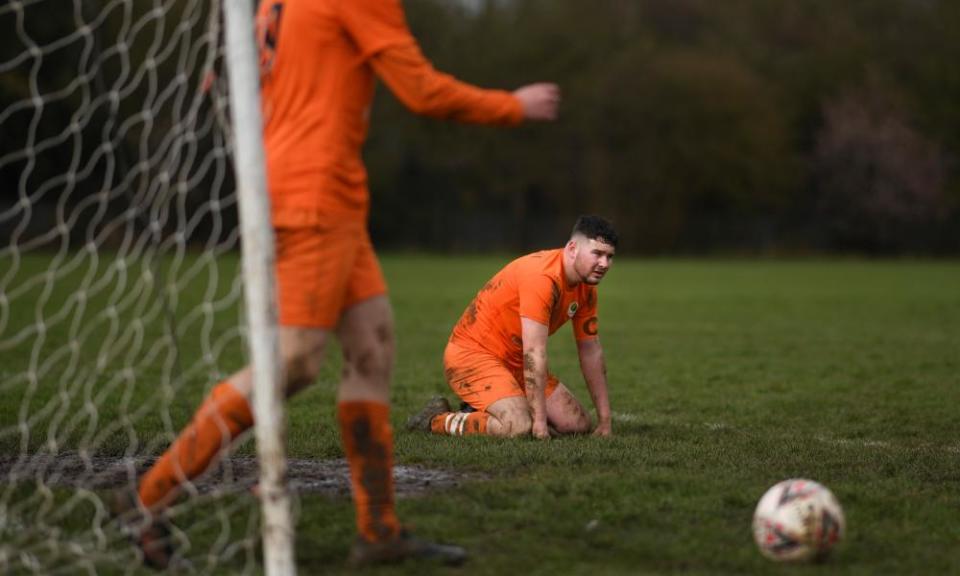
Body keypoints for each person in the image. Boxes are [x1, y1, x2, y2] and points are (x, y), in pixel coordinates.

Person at [112, 0, 560, 569]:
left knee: (371, 349)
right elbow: (420, 90)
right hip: (313, 197)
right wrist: (511, 106)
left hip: (323, 194)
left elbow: (239, 78)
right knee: (296, 361)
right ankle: (148, 499)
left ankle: (378, 531)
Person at [407, 215, 616, 440]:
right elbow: (534, 352)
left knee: (576, 424)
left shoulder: (586, 288)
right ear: (573, 248)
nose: (604, 264)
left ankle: (493, 405)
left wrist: (604, 421)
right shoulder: (543, 277)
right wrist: (538, 424)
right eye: (597, 253)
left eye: (609, 256)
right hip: (472, 356)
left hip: (515, 362)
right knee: (518, 426)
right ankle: (436, 420)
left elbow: (590, 350)